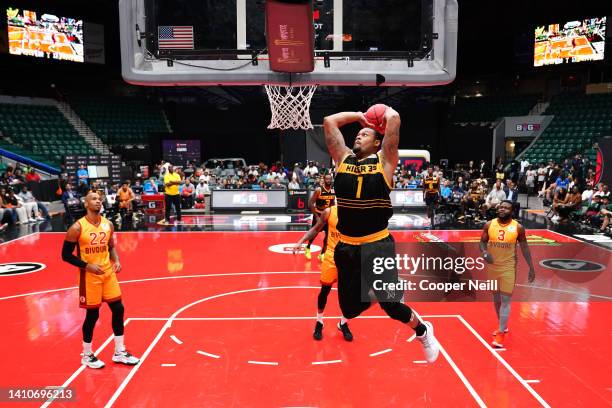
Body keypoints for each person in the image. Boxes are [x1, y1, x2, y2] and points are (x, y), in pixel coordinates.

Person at [323, 107, 439, 363]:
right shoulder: (342, 159)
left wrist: (384, 114)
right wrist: (358, 116)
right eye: (358, 134)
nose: (358, 136)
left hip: (377, 245)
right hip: (346, 247)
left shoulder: (385, 162)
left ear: (378, 142)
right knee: (349, 310)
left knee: (393, 307)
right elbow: (329, 122)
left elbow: (395, 118)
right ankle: (384, 291)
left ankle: (423, 331)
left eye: (365, 134)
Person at [61, 191, 140, 368]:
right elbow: (65, 255)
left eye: (99, 199)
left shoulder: (108, 224)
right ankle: (87, 354)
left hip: (107, 273)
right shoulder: (77, 228)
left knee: (118, 309)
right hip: (89, 276)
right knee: (93, 314)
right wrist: (87, 266)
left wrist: (117, 260)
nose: (98, 201)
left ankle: (119, 352)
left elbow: (110, 246)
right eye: (94, 199)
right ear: (86, 204)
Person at [480, 201, 535, 348]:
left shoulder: (518, 227)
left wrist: (531, 267)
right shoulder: (489, 224)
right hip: (492, 267)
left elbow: (525, 248)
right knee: (496, 299)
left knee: (505, 300)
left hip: (508, 267)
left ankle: (500, 334)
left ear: (512, 211)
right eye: (501, 207)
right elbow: (482, 242)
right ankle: (502, 325)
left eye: (506, 207)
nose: (502, 209)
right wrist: (485, 253)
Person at [294, 205, 353, 341]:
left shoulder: (355, 211)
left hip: (349, 256)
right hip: (331, 256)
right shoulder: (329, 211)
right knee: (325, 290)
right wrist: (301, 241)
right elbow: (315, 229)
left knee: (347, 293)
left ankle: (343, 323)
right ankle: (319, 321)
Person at [305, 174, 335, 261]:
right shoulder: (319, 190)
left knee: (327, 237)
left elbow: (332, 203)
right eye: (327, 179)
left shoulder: (333, 190)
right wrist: (316, 216)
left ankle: (322, 254)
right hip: (319, 215)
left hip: (328, 216)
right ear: (324, 180)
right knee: (314, 234)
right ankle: (308, 247)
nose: (329, 180)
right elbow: (310, 203)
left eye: (330, 179)